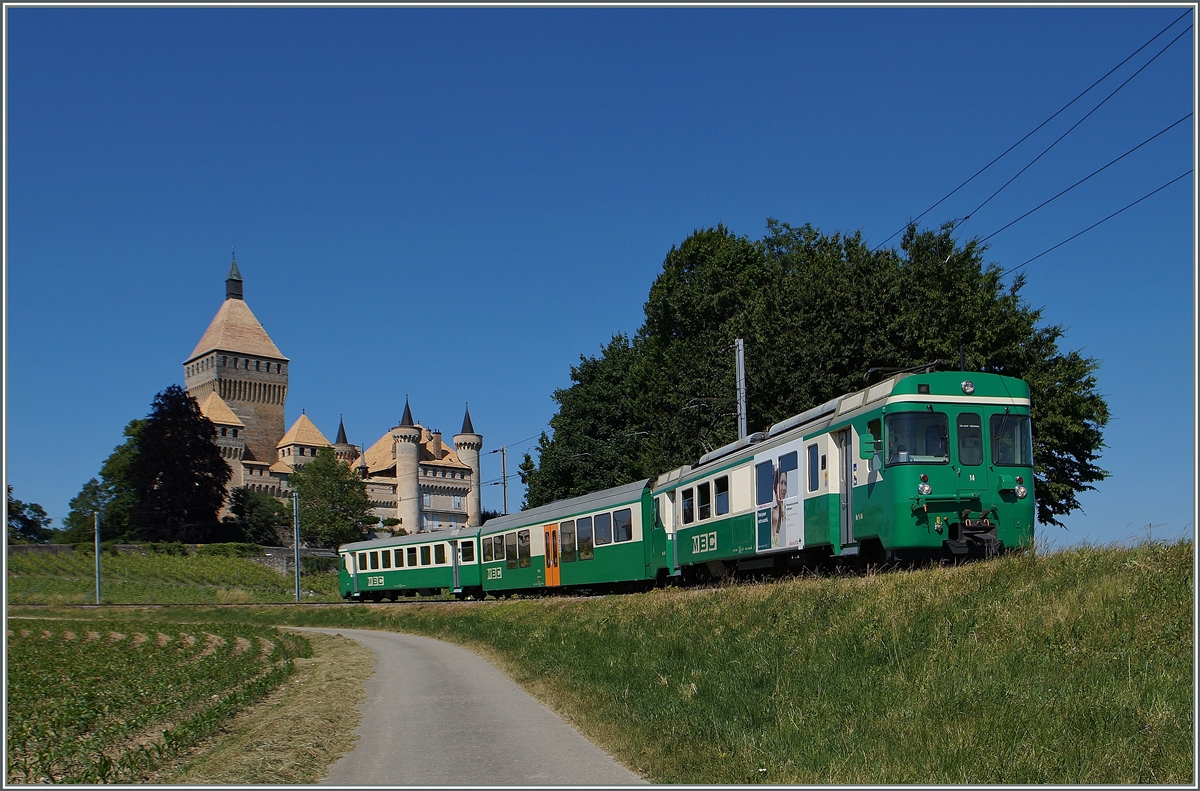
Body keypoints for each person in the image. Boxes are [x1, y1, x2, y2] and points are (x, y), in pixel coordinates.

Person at [771, 463, 787, 547]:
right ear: (775, 486)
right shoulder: (774, 510)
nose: (784, 488)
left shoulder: (783, 509)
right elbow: (775, 542)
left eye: (785, 483)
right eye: (781, 483)